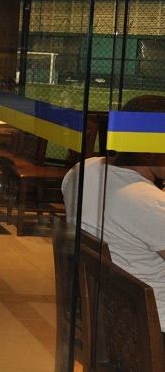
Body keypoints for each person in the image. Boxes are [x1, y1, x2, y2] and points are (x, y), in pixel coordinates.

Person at [62, 94, 165, 349]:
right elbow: (144, 211)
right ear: (148, 151)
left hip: (107, 322)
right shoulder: (149, 203)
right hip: (150, 334)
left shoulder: (81, 171)